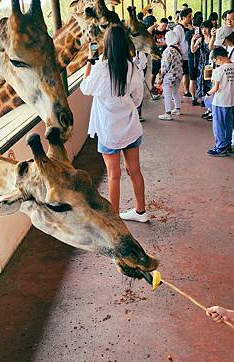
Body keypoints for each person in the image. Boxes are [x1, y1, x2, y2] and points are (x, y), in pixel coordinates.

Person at [80, 25, 149, 223]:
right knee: (134, 170)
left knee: (113, 175)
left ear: (107, 45)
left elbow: (85, 88)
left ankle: (115, 217)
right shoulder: (132, 68)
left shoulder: (101, 69)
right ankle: (141, 211)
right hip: (130, 127)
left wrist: (89, 63)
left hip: (108, 130)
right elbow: (137, 98)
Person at [206, 46, 234, 157]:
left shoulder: (218, 70)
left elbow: (215, 88)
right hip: (231, 100)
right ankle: (227, 145)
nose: (215, 63)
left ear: (219, 58)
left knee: (218, 125)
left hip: (219, 101)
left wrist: (207, 94)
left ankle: (220, 147)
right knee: (228, 124)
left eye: (215, 60)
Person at [158, 30, 183, 121]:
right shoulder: (178, 48)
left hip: (170, 76)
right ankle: (177, 108)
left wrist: (161, 77)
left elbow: (164, 66)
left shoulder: (167, 51)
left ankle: (167, 113)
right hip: (178, 75)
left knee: (167, 94)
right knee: (175, 92)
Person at [172, 8, 193, 98]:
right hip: (182, 55)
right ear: (183, 18)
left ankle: (187, 90)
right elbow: (176, 42)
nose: (191, 18)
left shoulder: (189, 27)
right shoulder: (178, 28)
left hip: (188, 55)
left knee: (187, 73)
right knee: (184, 74)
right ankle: (184, 91)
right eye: (189, 16)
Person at [148, 18, 169, 94]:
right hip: (155, 55)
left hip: (164, 56)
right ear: (160, 24)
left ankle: (159, 88)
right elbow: (148, 32)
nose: (164, 27)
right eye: (163, 25)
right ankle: (152, 86)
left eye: (165, 26)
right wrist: (153, 26)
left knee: (163, 72)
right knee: (154, 73)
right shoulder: (154, 31)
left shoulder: (167, 32)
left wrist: (156, 44)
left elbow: (167, 42)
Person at [187, 13, 204, 106]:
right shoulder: (203, 33)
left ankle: (194, 98)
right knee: (198, 79)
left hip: (193, 59)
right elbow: (192, 49)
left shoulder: (189, 33)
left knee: (193, 79)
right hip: (197, 59)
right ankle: (199, 98)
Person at [133, 50, 148, 121]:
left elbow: (144, 64)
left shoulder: (139, 52)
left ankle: (138, 114)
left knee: (138, 95)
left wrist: (136, 66)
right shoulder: (124, 50)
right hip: (129, 77)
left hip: (138, 77)